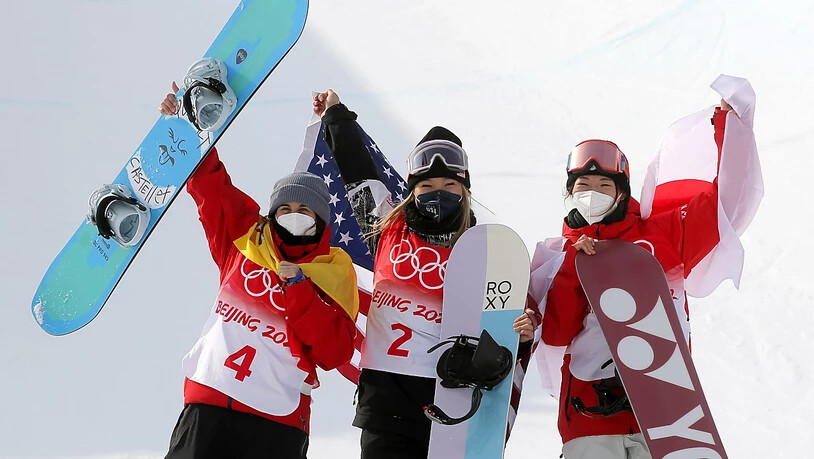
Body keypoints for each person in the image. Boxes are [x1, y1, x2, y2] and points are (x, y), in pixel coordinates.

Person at [312, 89, 538, 458]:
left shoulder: (482, 252)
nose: (439, 193)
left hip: (448, 396)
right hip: (385, 400)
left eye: (450, 186)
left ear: (465, 192)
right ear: (412, 190)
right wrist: (336, 115)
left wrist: (522, 336)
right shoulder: (386, 225)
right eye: (427, 186)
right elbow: (357, 169)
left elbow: (501, 328)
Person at [532, 94, 761, 458]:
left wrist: (728, 128)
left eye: (605, 186)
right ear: (569, 194)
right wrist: (576, 270)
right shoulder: (556, 254)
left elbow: (726, 205)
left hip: (667, 417)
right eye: (583, 187)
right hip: (589, 417)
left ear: (622, 193)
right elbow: (557, 334)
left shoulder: (662, 235)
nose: (594, 194)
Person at [158, 83, 359, 459]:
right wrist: (182, 127)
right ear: (272, 214)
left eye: (305, 210)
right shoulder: (244, 238)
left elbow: (335, 351)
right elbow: (210, 185)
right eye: (285, 209)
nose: (294, 216)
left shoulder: (334, 271)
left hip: (275, 422)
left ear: (321, 220)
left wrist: (300, 290)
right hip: (208, 403)